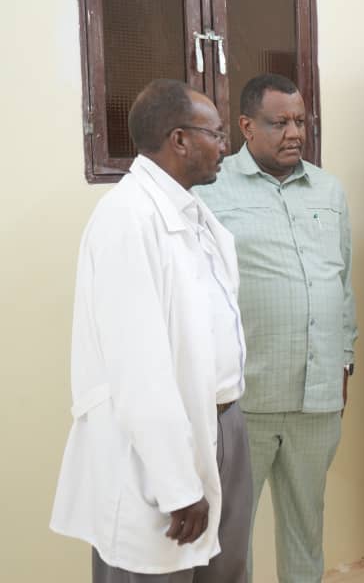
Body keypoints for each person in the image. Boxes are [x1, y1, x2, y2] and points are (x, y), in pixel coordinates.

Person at [50, 79, 252, 583]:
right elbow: (138, 372)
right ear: (179, 139)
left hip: (223, 424)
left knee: (223, 571)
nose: (225, 145)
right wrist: (177, 484)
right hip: (159, 447)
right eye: (216, 133)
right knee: (153, 571)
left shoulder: (193, 212)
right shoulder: (127, 220)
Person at [196, 74, 357, 583]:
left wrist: (345, 359)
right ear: (246, 126)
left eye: (300, 121)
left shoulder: (329, 190)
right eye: (279, 122)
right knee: (230, 534)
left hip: (317, 396)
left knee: (306, 526)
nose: (294, 133)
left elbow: (342, 281)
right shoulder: (210, 190)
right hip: (246, 398)